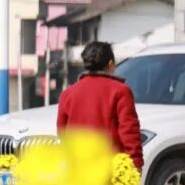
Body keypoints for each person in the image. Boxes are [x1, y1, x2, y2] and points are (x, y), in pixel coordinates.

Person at [56, 41, 143, 169]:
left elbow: (62, 132)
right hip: (110, 168)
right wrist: (136, 163)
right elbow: (129, 131)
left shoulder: (68, 94)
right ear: (111, 64)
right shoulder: (121, 91)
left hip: (77, 168)